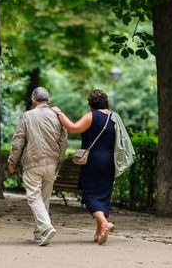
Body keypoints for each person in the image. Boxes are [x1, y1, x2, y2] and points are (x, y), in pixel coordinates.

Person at [52, 89, 134, 245]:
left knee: (90, 195)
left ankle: (104, 224)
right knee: (103, 194)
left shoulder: (91, 116)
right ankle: (99, 232)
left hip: (93, 161)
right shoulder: (113, 117)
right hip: (109, 161)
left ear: (90, 103)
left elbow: (74, 128)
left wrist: (59, 113)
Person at [8, 87, 67, 246]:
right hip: (51, 163)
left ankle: (46, 228)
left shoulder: (27, 116)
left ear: (34, 100)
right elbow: (63, 142)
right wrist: (58, 159)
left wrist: (12, 161)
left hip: (33, 163)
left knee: (34, 198)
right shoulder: (57, 116)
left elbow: (18, 141)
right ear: (49, 100)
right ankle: (39, 234)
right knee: (44, 199)